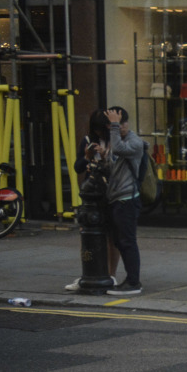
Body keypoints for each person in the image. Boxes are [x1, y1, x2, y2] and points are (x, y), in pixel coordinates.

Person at [77, 107, 144, 296]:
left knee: (128, 241)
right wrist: (104, 157)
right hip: (117, 199)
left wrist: (114, 126)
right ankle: (129, 280)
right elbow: (113, 167)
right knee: (120, 241)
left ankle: (133, 282)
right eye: (116, 124)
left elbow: (120, 149)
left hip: (127, 199)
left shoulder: (134, 142)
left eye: (123, 123)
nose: (120, 127)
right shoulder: (119, 142)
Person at [66, 110, 121, 290]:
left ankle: (111, 274)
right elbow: (77, 167)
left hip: (111, 191)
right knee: (89, 233)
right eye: (96, 130)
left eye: (101, 130)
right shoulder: (88, 141)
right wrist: (87, 157)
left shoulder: (115, 139)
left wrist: (106, 155)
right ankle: (91, 272)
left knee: (112, 236)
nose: (99, 134)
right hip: (92, 192)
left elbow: (120, 166)